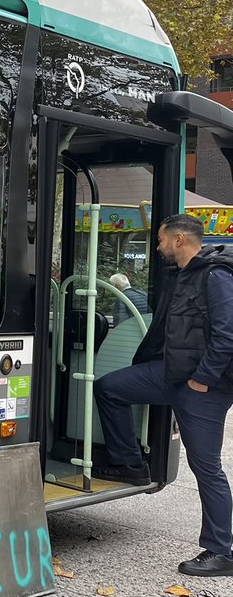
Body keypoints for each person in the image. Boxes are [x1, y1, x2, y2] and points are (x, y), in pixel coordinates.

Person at [93, 213, 233, 577]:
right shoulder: (181, 276)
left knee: (205, 466)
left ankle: (221, 551)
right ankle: (131, 463)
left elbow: (227, 335)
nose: (157, 247)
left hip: (204, 387)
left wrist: (201, 380)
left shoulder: (216, 276)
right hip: (168, 374)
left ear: (179, 240)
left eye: (160, 240)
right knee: (110, 387)